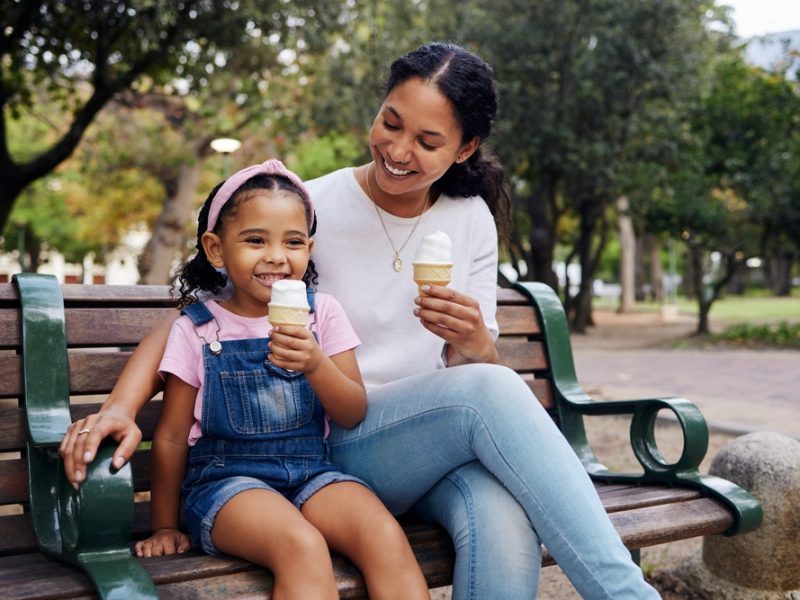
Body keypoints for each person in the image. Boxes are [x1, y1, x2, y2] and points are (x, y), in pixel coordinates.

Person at [61, 43, 660, 599]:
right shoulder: (309, 209)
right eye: (391, 122)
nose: (399, 151)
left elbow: (466, 375)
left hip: (422, 446)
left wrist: (475, 341)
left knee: (503, 517)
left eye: (428, 141)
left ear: (466, 149)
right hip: (327, 436)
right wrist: (120, 403)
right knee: (492, 389)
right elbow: (200, 319)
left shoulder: (470, 217)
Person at [130, 158, 429, 599]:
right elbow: (172, 437)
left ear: (308, 248)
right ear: (215, 249)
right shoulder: (197, 328)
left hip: (311, 473)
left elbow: (352, 410)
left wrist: (315, 363)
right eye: (255, 240)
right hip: (226, 484)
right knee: (301, 545)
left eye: (293, 242)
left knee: (382, 532)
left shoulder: (321, 313)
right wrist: (164, 526)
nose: (276, 256)